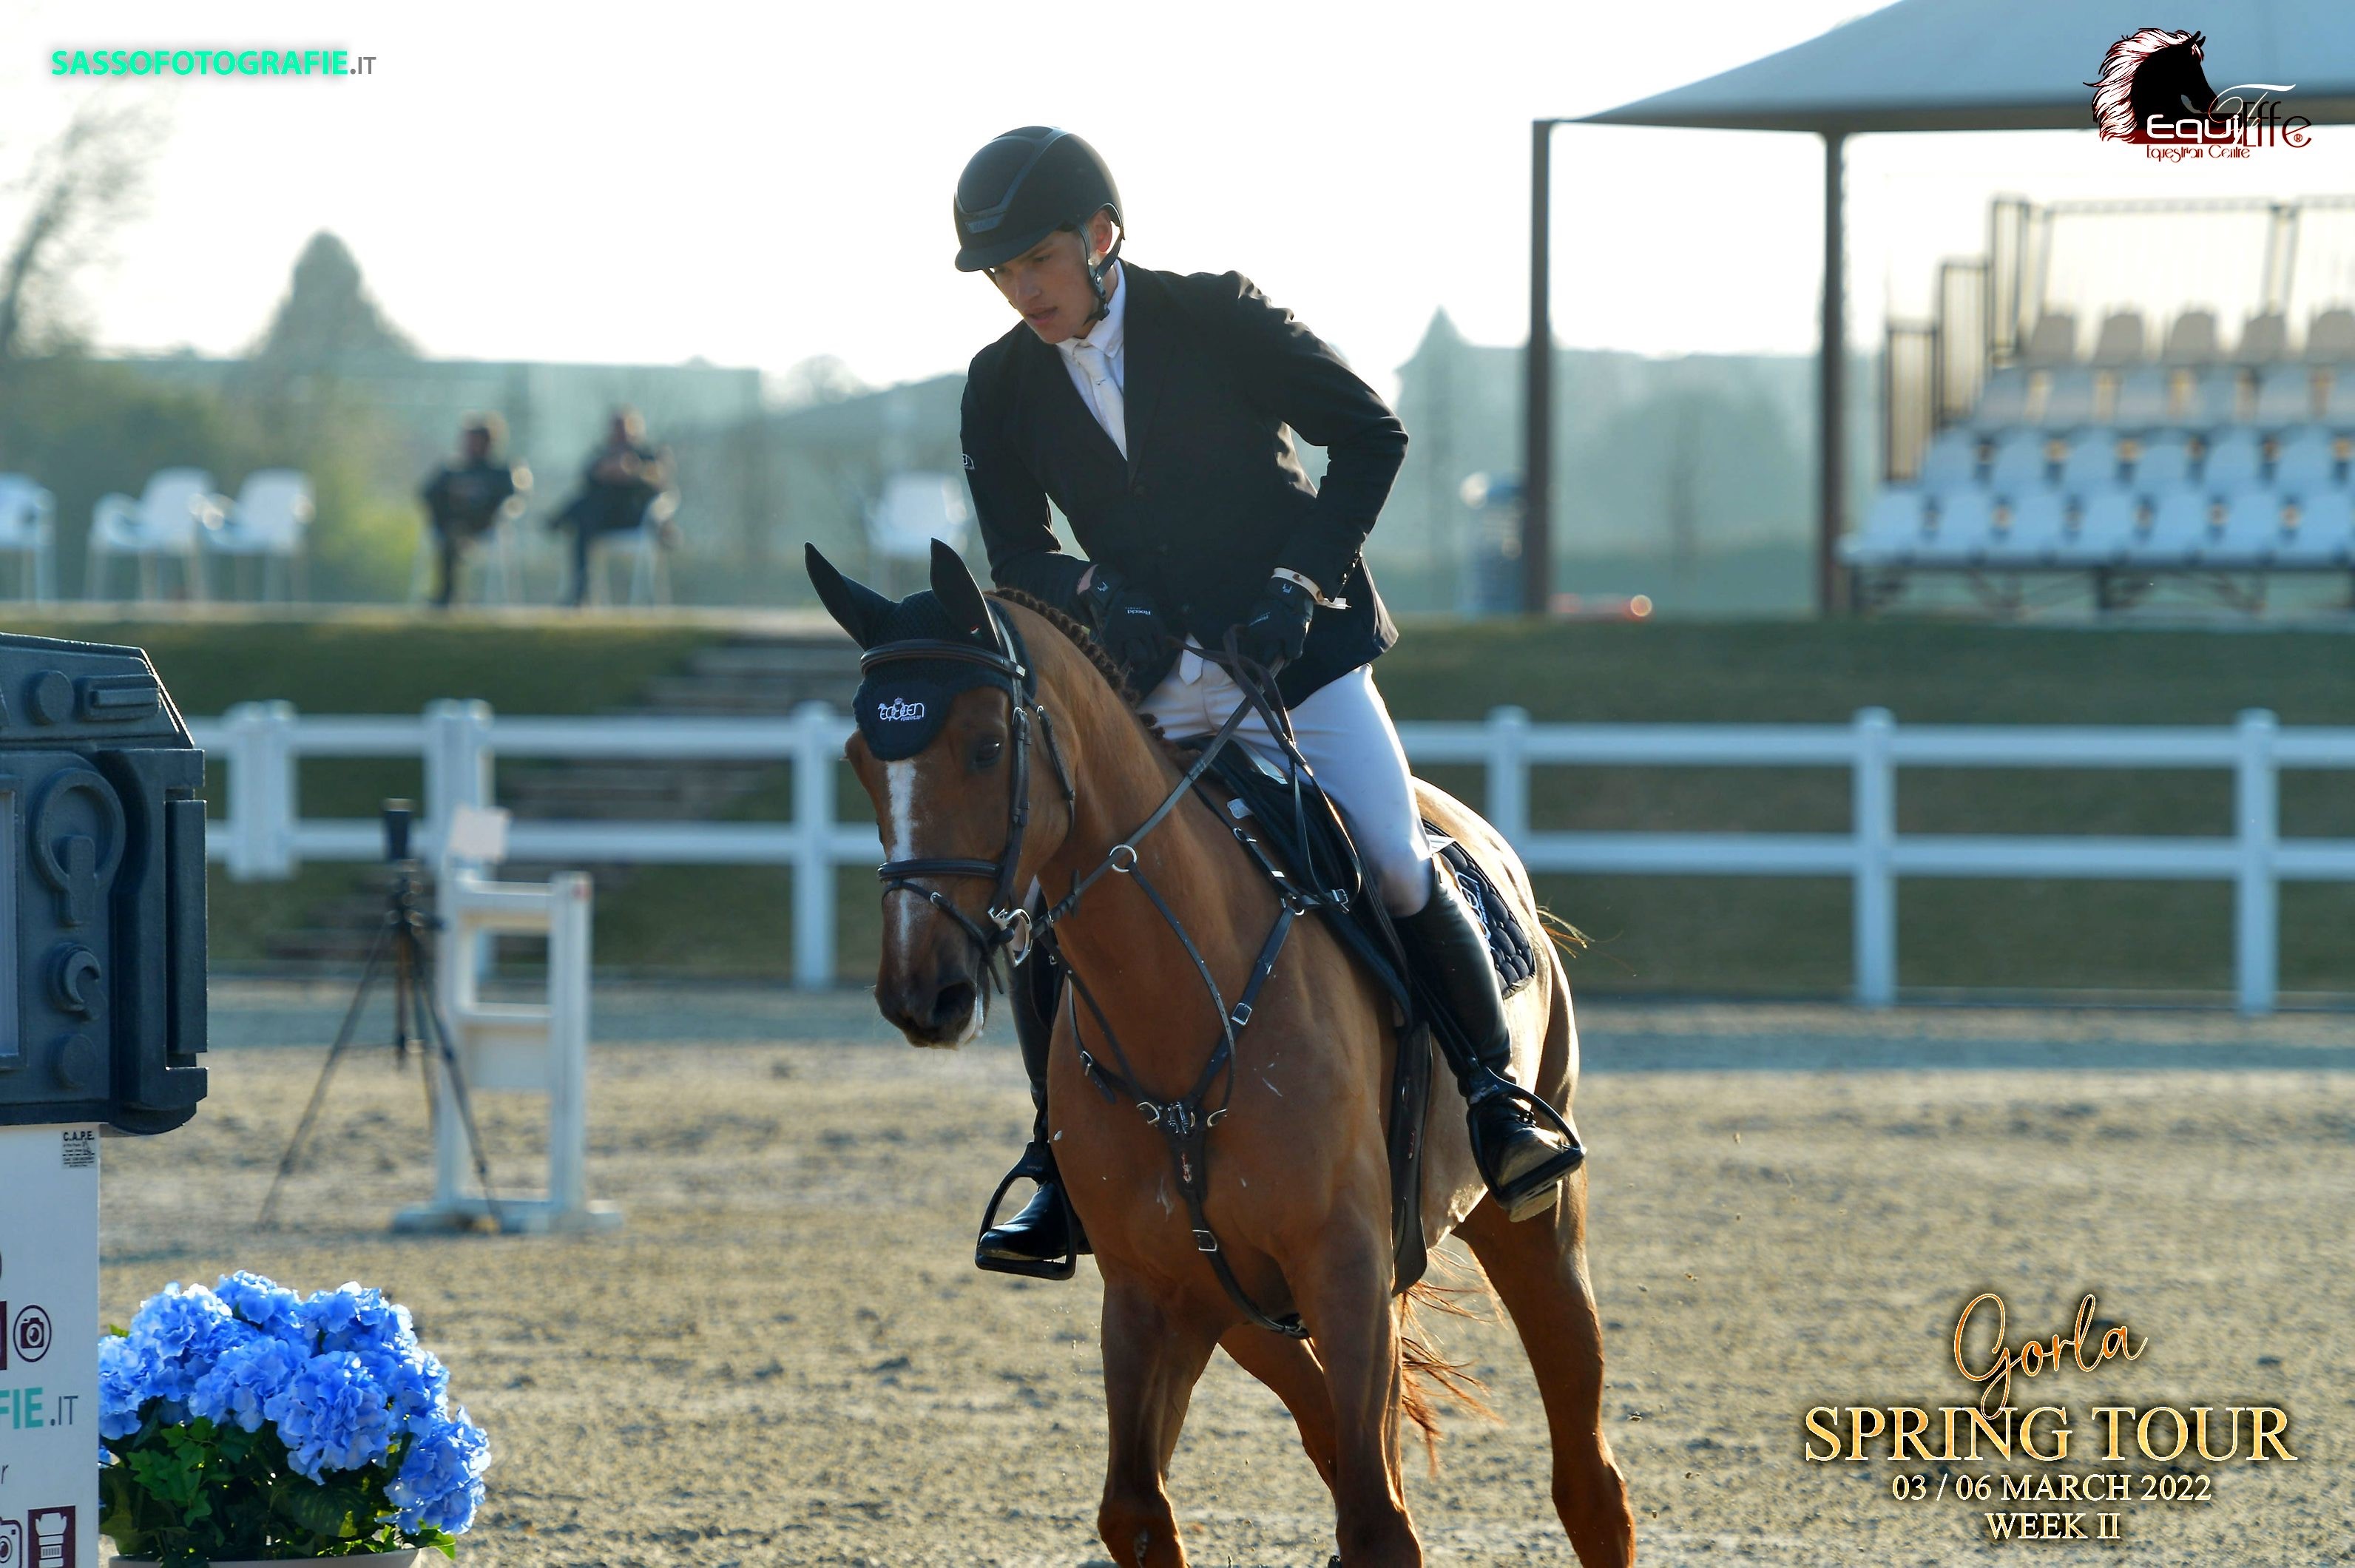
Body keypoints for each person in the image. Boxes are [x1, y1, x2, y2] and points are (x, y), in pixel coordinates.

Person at [951, 126, 1584, 1278]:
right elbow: (1016, 553)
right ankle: (1055, 1163)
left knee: (1392, 858)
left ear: (1101, 237)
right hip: (1147, 683)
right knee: (1059, 901)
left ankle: (1499, 1102)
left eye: (1036, 260)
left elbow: (1371, 437)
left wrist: (1302, 581)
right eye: (1002, 273)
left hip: (1294, 661)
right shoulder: (1001, 385)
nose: (1022, 291)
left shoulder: (1217, 316)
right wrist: (1095, 593)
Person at [551, 408, 672, 606]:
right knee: (585, 519)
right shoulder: (602, 454)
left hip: (634, 518)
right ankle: (580, 590)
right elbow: (586, 480)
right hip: (603, 519)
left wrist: (633, 473)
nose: (620, 434)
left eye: (624, 428)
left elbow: (660, 483)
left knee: (582, 512)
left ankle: (560, 519)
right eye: (616, 429)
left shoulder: (647, 455)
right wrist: (606, 472)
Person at [419, 415, 529, 609]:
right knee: (451, 534)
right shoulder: (452, 470)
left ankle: (449, 595)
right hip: (451, 526)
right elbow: (428, 494)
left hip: (484, 526)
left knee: (454, 534)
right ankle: (447, 595)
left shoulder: (501, 472)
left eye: (476, 440)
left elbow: (511, 500)